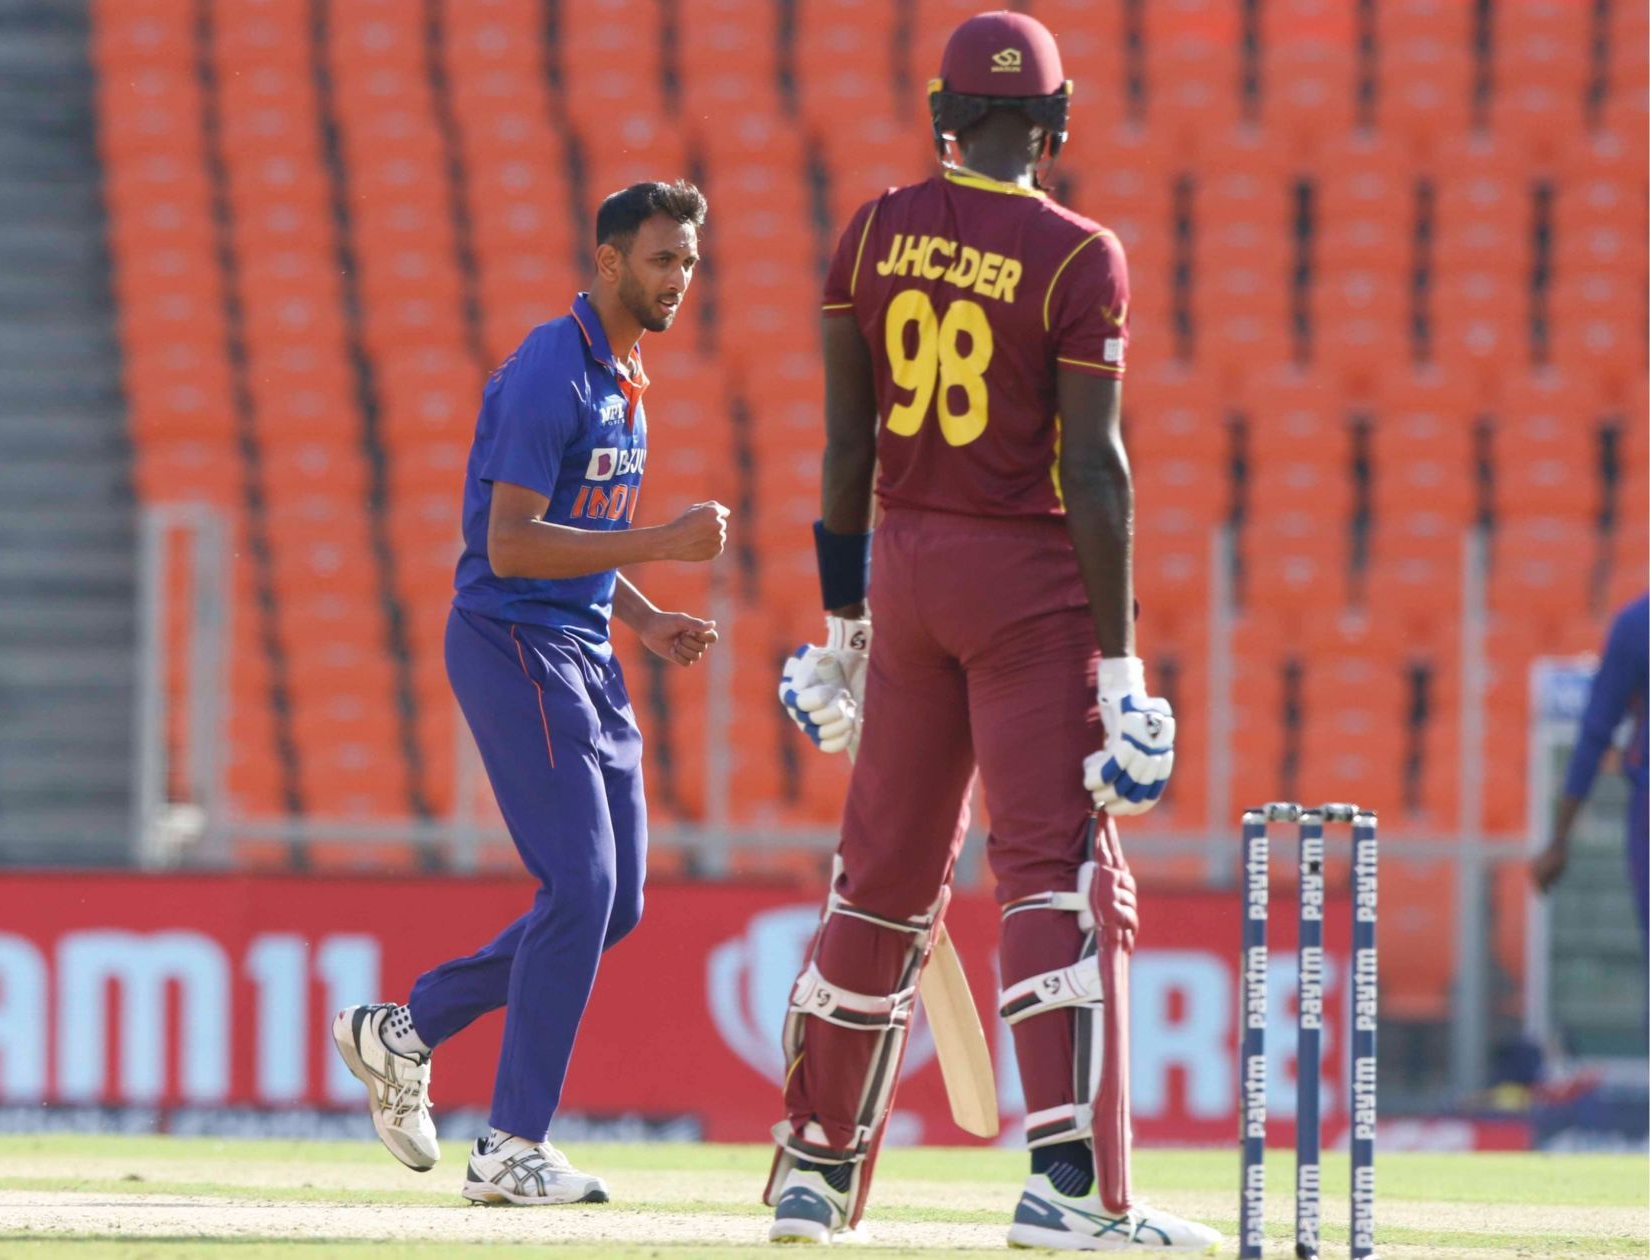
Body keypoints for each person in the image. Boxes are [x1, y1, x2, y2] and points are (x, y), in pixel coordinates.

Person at [764, 11, 1220, 1251]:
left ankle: (812, 1169)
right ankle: (1065, 1186)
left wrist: (842, 627)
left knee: (886, 873)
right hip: (1024, 581)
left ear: (941, 114)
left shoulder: (867, 236)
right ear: (1057, 125)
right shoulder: (1082, 258)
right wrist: (1122, 668)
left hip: (906, 571)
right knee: (1054, 870)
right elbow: (1099, 468)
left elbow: (846, 448)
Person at [330, 181, 729, 1206]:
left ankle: (402, 1031)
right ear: (606, 261)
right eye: (658, 260)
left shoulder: (625, 374)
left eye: (686, 260)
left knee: (619, 904)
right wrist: (666, 543)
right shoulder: (555, 368)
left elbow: (576, 525)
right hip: (514, 642)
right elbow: (508, 544)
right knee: (582, 891)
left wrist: (642, 616)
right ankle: (511, 1148)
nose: (677, 279)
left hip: (587, 646)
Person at [1532, 591, 1648, 944]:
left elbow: (1597, 728)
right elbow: (1597, 729)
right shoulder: (1638, 625)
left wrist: (1559, 840)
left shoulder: (1638, 623)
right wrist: (1559, 838)